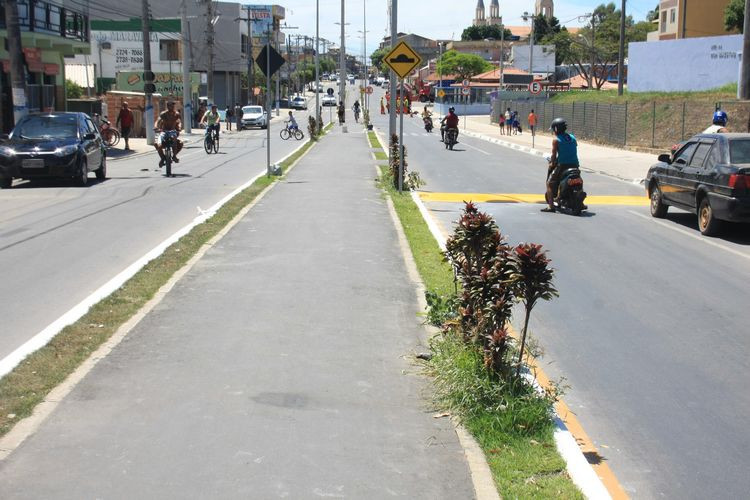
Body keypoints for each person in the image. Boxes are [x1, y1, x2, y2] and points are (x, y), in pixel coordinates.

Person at [543, 118, 579, 213]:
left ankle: (551, 207)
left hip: (563, 165)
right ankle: (580, 202)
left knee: (549, 184)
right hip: (575, 164)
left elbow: (554, 156)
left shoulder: (556, 140)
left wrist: (551, 163)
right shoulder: (572, 137)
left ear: (556, 129)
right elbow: (573, 148)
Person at [154, 101, 183, 167]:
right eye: (170, 106)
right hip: (164, 131)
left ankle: (174, 156)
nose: (172, 107)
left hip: (172, 131)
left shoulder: (176, 114)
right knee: (157, 144)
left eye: (173, 106)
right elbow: (158, 120)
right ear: (167, 106)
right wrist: (156, 126)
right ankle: (163, 158)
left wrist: (180, 127)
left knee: (178, 141)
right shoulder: (163, 114)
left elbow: (179, 122)